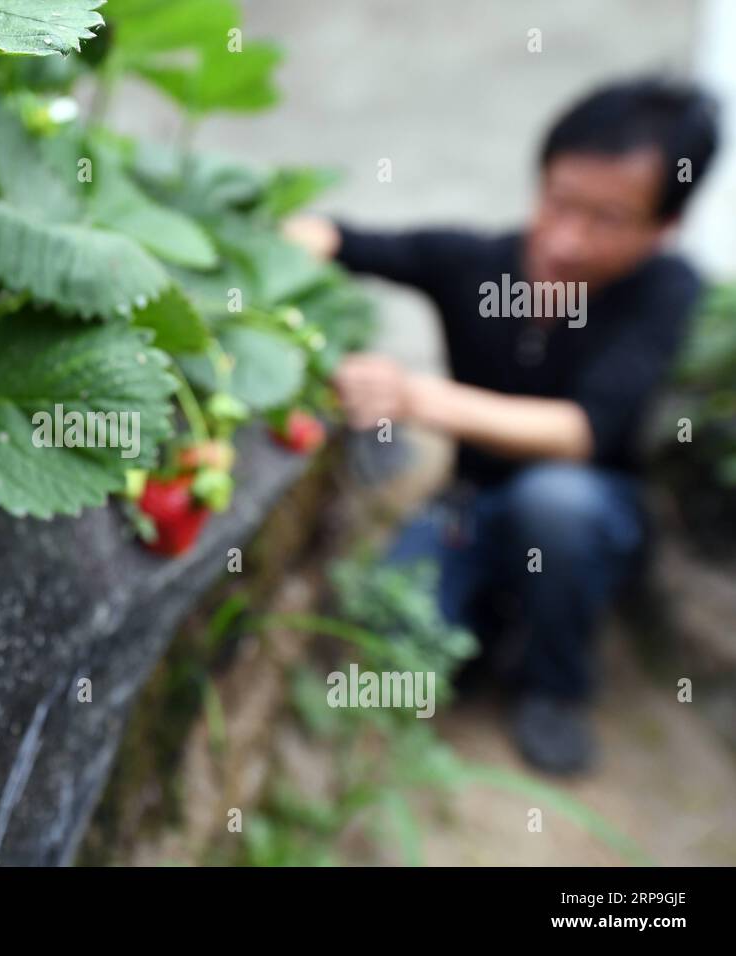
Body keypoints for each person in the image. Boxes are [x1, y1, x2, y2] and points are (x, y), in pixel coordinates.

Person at [285, 78, 719, 774]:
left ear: (664, 227)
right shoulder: (474, 263)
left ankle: (554, 688)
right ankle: (487, 631)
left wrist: (415, 396)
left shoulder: (664, 291)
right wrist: (287, 248)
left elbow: (581, 431)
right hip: (470, 506)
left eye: (607, 218)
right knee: (393, 648)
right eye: (559, 201)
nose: (568, 238)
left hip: (588, 515)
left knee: (555, 502)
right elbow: (336, 237)